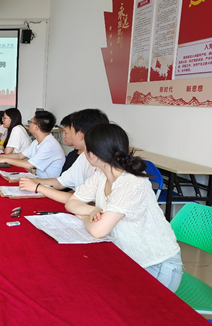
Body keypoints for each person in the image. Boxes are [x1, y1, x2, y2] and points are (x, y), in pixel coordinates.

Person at [65, 123, 182, 292]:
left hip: (156, 265)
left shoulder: (131, 182)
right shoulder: (102, 175)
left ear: (93, 155)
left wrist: (84, 217)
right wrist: (92, 210)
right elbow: (71, 203)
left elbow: (98, 230)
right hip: (128, 259)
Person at [20, 109, 109, 202]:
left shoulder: (102, 165)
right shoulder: (84, 157)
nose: (65, 135)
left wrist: (38, 187)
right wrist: (33, 181)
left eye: (70, 131)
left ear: (80, 135)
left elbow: (83, 200)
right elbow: (60, 182)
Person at [0, 111, 64, 178]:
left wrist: (5, 159)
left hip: (46, 185)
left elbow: (29, 165)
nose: (29, 124)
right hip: (38, 179)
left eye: (30, 122)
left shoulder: (48, 145)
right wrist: (0, 156)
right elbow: (20, 155)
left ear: (36, 127)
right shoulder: (37, 141)